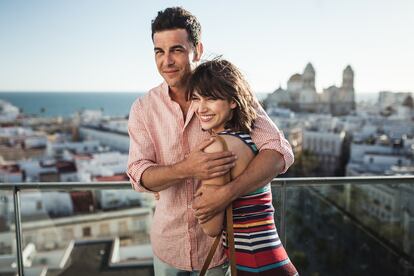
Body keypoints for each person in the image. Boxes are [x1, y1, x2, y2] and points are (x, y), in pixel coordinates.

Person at [126, 7, 294, 276]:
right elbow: (138, 174)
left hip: (220, 252)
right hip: (168, 246)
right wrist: (187, 168)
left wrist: (226, 193)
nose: (166, 61)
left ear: (198, 50)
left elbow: (278, 151)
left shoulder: (227, 91)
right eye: (159, 51)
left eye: (177, 50)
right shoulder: (143, 109)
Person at [188, 58, 299, 275]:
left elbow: (211, 229)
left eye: (210, 98)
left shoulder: (217, 148)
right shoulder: (251, 141)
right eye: (196, 98)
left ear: (233, 101)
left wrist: (198, 197)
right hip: (277, 261)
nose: (201, 108)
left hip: (253, 266)